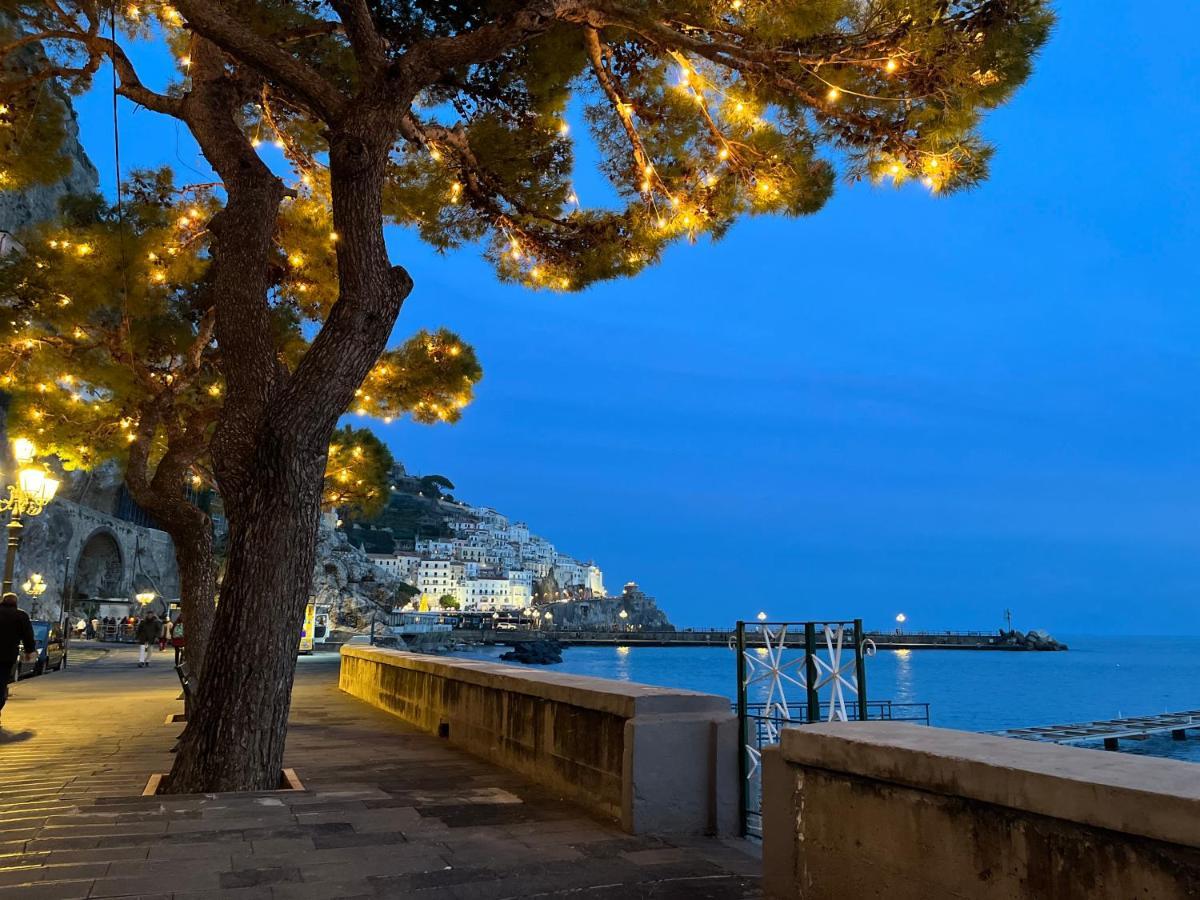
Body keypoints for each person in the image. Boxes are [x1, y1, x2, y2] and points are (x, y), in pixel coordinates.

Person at [0, 592, 37, 729]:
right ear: (16, 603)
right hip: (6, 656)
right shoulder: (21, 616)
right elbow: (28, 636)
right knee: (1, 683)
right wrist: (29, 651)